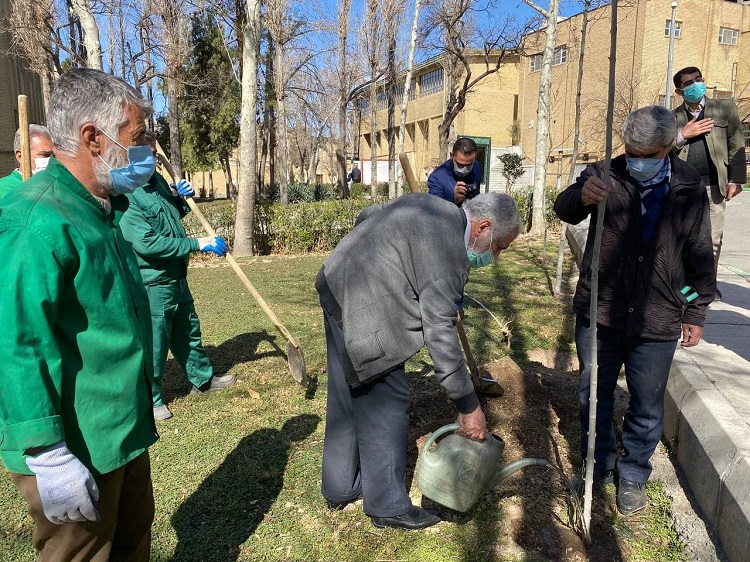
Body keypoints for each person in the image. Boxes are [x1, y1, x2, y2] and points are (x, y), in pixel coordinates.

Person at [0, 68, 160, 560]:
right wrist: (46, 452)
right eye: (137, 137)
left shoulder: (99, 208)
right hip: (75, 443)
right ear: (93, 138)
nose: (147, 151)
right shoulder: (35, 221)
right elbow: (15, 343)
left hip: (119, 427)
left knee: (132, 541)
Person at [316, 191, 521, 530]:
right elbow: (440, 335)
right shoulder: (449, 256)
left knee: (348, 392)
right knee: (388, 400)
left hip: (336, 279)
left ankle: (340, 486)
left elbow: (369, 215)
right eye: (499, 247)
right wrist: (468, 406)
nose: (495, 257)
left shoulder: (434, 207)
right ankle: (387, 506)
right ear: (483, 227)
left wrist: (375, 257)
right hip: (366, 307)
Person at [554, 105, 715, 516]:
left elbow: (699, 251)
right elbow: (564, 208)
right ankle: (597, 463)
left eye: (649, 155)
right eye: (632, 153)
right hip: (601, 308)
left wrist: (695, 311)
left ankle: (633, 474)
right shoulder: (604, 174)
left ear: (668, 146)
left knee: (646, 400)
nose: (638, 161)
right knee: (594, 391)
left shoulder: (688, 186)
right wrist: (581, 195)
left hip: (659, 311)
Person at [119, 133, 235, 421]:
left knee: (189, 330)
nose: (153, 161)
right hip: (154, 281)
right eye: (147, 156)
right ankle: (152, 399)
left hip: (177, 275)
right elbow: (149, 243)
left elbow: (169, 218)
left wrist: (181, 200)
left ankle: (202, 379)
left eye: (155, 155)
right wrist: (198, 244)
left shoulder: (157, 181)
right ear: (130, 157)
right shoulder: (126, 194)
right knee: (156, 343)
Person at [672, 66, 746, 299]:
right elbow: (663, 148)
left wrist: (736, 179)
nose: (696, 85)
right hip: (683, 189)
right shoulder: (673, 118)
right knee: (684, 239)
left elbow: (736, 142)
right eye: (688, 83)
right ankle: (685, 286)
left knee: (712, 240)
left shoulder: (724, 108)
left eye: (698, 79)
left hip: (714, 186)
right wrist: (683, 134)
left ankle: (706, 287)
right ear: (679, 91)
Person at [0, 124, 55, 200]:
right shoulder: (2, 190)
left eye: (54, 156)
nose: (51, 160)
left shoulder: (57, 187)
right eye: (45, 155)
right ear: (20, 156)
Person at [427, 137, 483, 206]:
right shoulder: (437, 178)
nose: (465, 169)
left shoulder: (477, 167)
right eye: (460, 165)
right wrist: (454, 200)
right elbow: (435, 208)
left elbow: (477, 195)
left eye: (469, 164)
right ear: (452, 156)